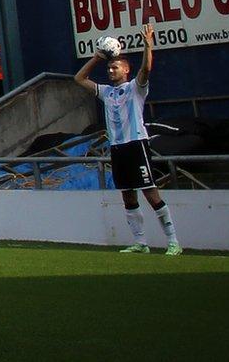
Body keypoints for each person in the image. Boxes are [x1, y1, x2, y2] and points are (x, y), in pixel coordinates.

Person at [75, 25, 182, 254]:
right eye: (109, 68)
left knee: (150, 193)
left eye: (115, 67)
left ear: (125, 70)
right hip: (117, 147)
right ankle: (140, 242)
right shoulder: (106, 92)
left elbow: (146, 69)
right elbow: (79, 78)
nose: (111, 71)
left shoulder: (135, 88)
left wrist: (148, 44)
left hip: (136, 145)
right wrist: (97, 57)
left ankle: (173, 241)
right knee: (127, 195)